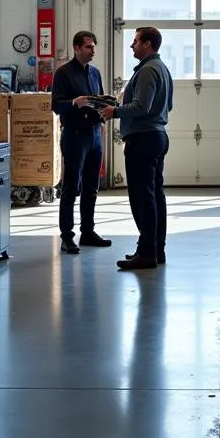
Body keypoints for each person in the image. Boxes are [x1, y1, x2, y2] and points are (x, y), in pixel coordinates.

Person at [101, 27, 173, 271]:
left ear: (148, 45)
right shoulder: (162, 69)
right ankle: (155, 248)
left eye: (135, 42)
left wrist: (115, 111)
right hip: (157, 136)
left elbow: (141, 107)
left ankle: (146, 252)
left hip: (143, 139)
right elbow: (167, 105)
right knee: (154, 196)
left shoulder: (147, 71)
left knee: (143, 199)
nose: (132, 46)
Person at [51, 31, 112, 253]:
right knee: (71, 187)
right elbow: (56, 105)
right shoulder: (63, 73)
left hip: (95, 134)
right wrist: (75, 102)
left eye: (94, 46)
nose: (92, 50)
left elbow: (101, 98)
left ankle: (88, 231)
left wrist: (105, 109)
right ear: (77, 48)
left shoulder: (95, 73)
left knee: (91, 187)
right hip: (75, 135)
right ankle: (67, 236)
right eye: (88, 46)